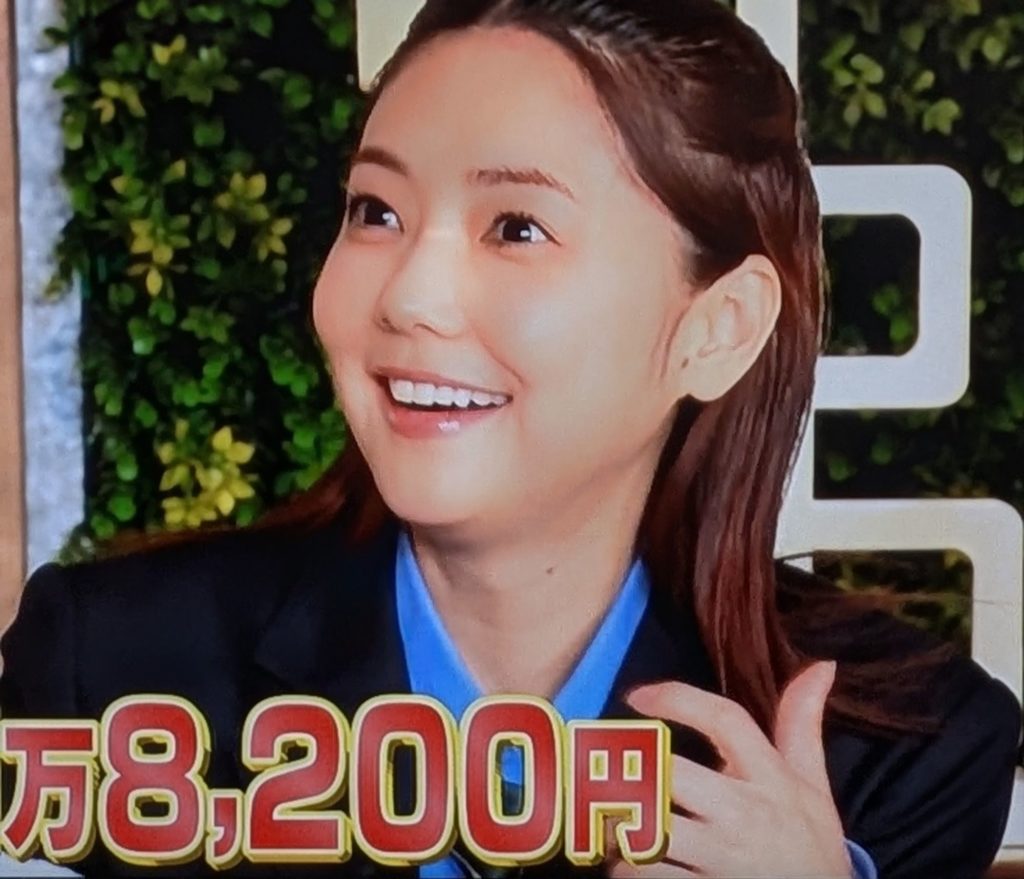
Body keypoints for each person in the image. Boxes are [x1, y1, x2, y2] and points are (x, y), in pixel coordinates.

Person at [2, 1, 1020, 877]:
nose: (409, 296)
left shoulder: (906, 754)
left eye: (516, 228)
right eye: (376, 211)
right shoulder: (110, 673)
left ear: (717, 328)